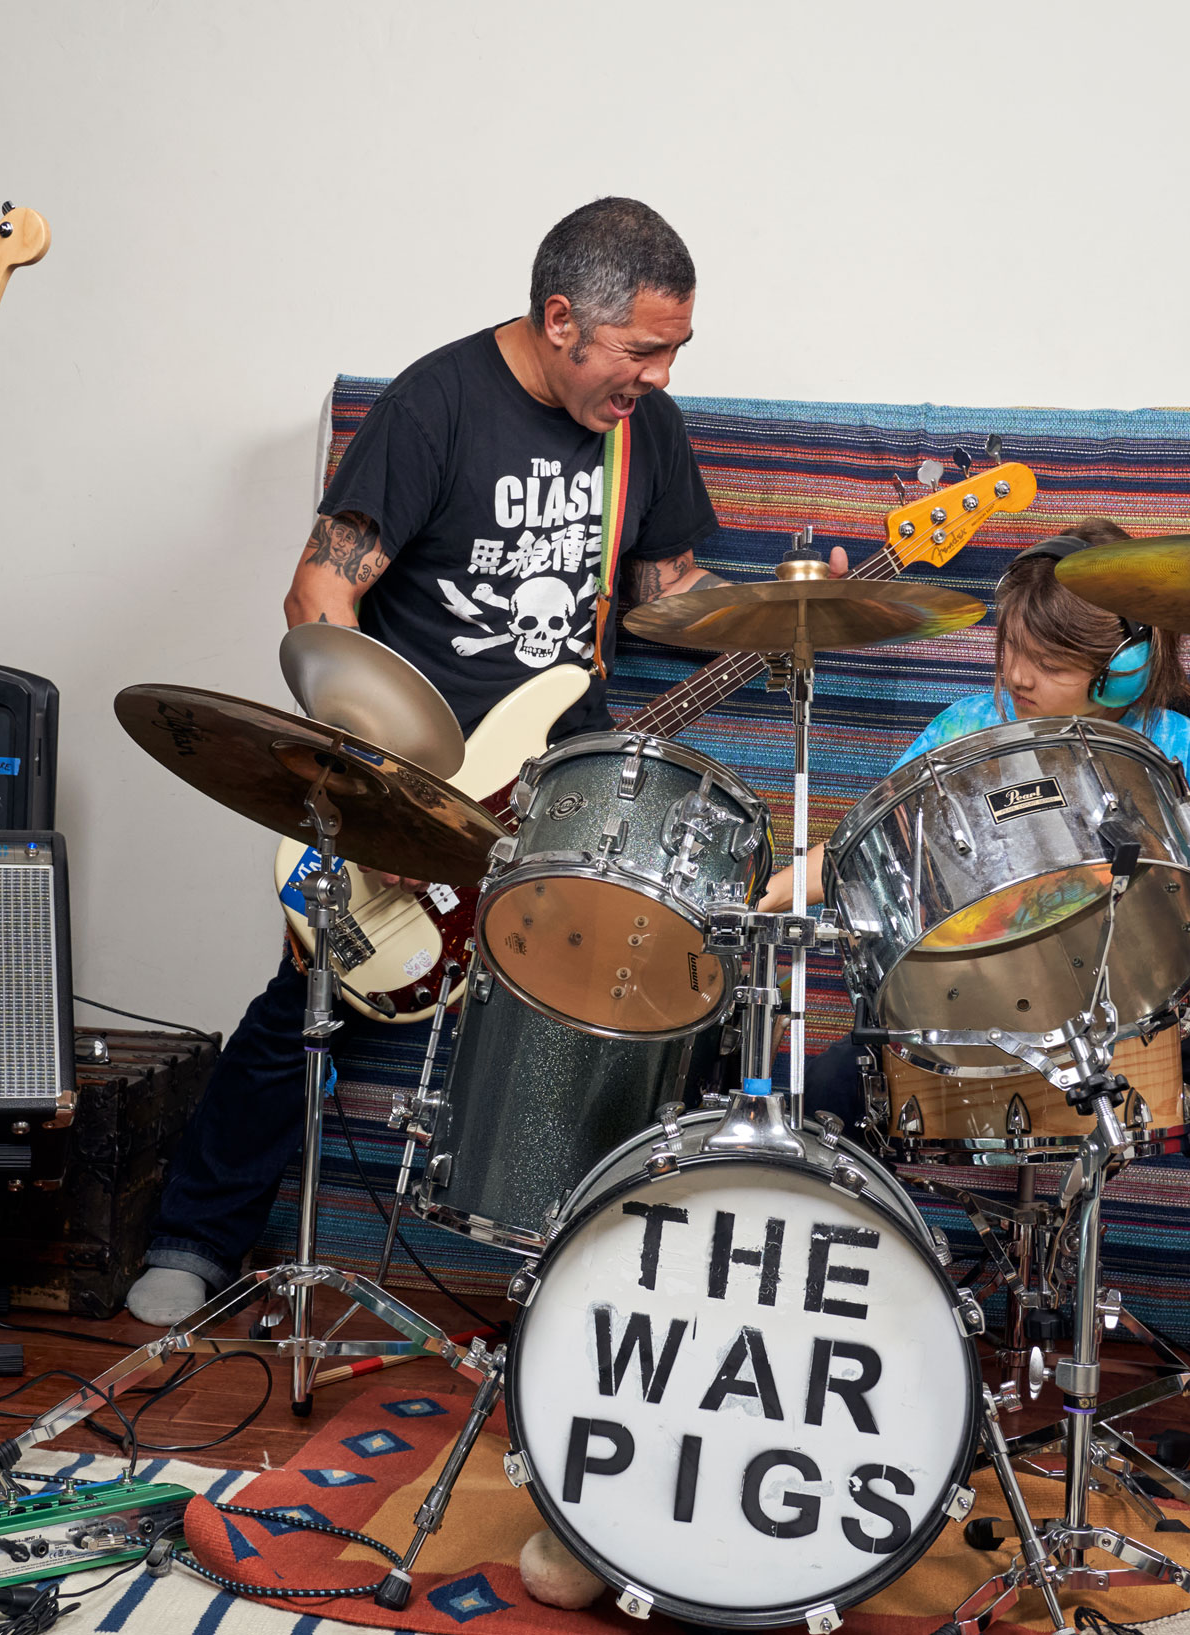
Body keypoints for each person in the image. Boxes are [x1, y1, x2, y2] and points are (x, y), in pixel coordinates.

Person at [127, 198, 831, 1328]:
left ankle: (631, 1278)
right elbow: (319, 594)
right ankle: (196, 1234)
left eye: (675, 350)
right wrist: (376, 798)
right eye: (642, 349)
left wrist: (793, 611)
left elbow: (666, 595)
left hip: (568, 792)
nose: (658, 375)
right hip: (417, 779)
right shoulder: (436, 405)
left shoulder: (645, 429)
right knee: (315, 994)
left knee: (650, 1000)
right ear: (561, 319)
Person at [756, 517, 1190, 1491]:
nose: (1019, 676)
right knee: (811, 1105)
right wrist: (777, 889)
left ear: (1123, 665)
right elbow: (874, 848)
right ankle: (821, 1379)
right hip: (958, 1032)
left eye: (1049, 660)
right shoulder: (966, 726)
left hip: (1120, 1038)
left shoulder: (1181, 749)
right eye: (1011, 650)